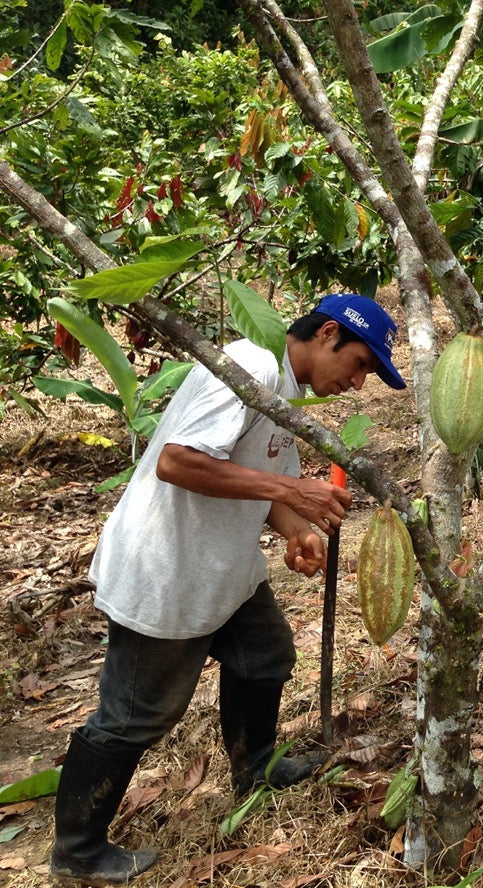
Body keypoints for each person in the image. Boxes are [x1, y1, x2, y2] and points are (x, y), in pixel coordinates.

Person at [49, 294, 407, 884]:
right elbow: (177, 462)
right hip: (167, 569)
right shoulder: (251, 367)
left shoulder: (281, 394)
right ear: (326, 335)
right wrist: (292, 493)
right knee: (136, 714)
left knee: (265, 654)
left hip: (222, 567)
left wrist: (295, 529)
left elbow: (259, 484)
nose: (359, 382)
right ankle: (77, 847)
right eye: (362, 363)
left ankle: (256, 767)